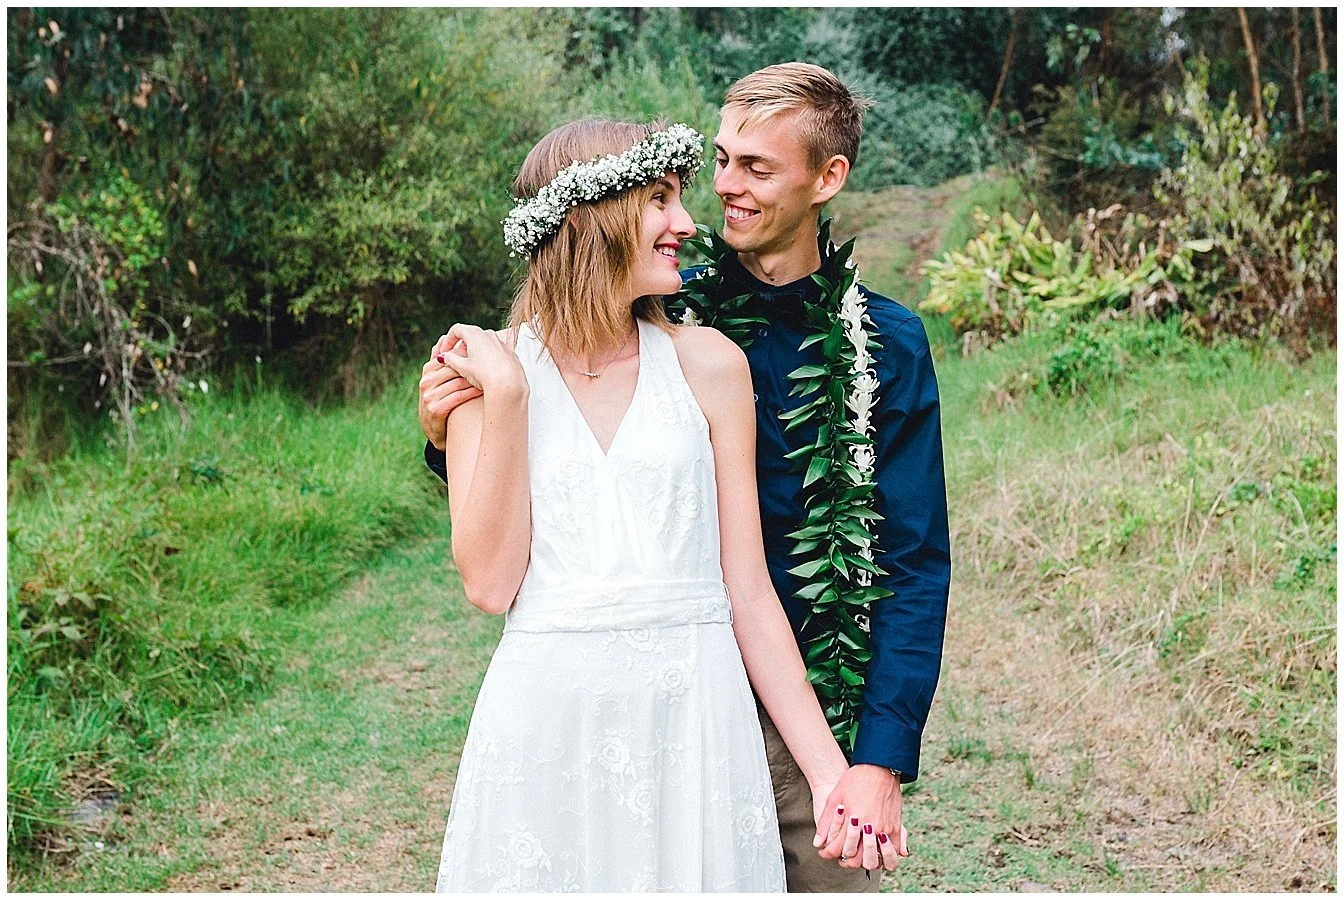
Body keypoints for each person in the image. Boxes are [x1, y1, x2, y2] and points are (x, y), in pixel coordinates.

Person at [423, 63, 948, 892]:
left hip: (747, 699)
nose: (709, 203)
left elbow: (895, 564)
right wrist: (477, 416)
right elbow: (497, 570)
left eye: (755, 168)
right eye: (701, 174)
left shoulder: (816, 349)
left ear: (827, 179)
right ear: (597, 218)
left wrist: (858, 766)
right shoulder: (607, 326)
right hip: (556, 715)